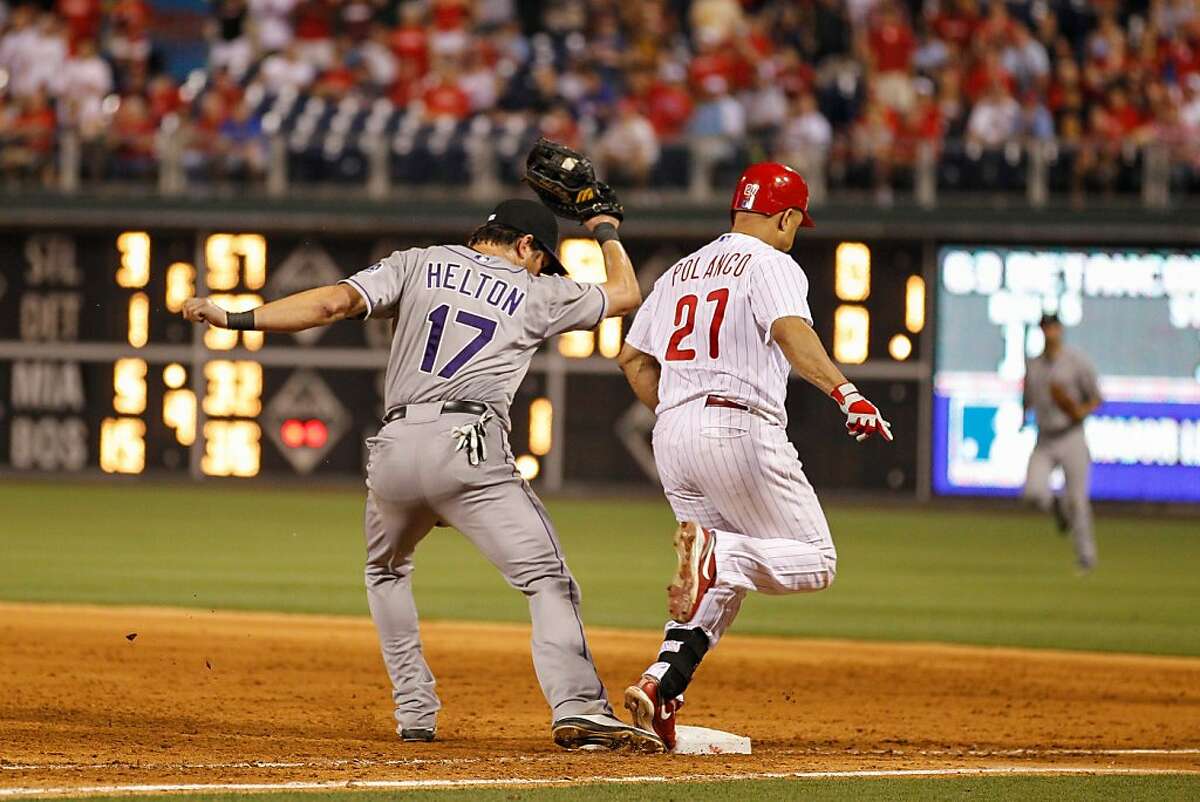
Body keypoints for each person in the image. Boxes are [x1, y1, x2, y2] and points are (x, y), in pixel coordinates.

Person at [181, 197, 664, 753]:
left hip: (394, 448)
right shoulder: (537, 292)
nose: (542, 269)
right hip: (468, 446)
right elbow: (627, 293)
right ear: (526, 246)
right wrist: (604, 228)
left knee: (386, 571)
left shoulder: (416, 263)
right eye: (541, 258)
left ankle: (415, 710)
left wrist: (234, 317)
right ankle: (578, 707)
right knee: (546, 581)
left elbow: (332, 305)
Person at [614, 163, 893, 750]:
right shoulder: (773, 263)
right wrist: (847, 392)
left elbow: (633, 360)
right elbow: (791, 331)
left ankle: (663, 684)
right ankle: (717, 553)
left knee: (721, 582)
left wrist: (675, 411)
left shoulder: (679, 271)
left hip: (672, 432)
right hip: (738, 424)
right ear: (786, 216)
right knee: (814, 560)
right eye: (797, 221)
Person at [1022, 313, 1102, 573]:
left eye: (1053, 327)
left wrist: (1080, 410)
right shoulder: (1034, 365)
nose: (1049, 332)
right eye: (1045, 328)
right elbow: (1027, 398)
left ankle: (1086, 557)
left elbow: (1096, 397)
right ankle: (1058, 508)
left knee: (1078, 500)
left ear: (1060, 330)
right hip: (1045, 437)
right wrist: (1023, 415)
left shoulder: (1076, 362)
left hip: (1072, 435)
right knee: (1033, 492)